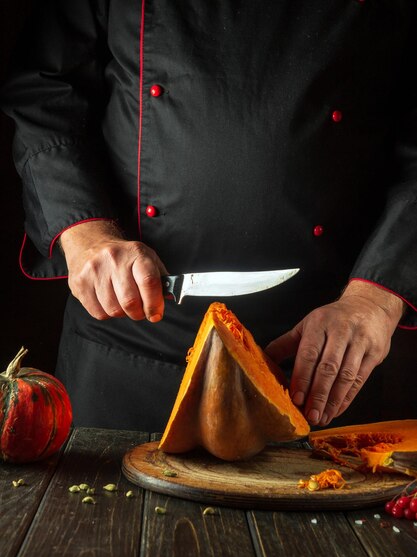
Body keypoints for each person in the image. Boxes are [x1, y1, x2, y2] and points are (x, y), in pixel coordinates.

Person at [1, 0, 416, 432]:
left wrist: (374, 301)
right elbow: (44, 88)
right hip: (127, 346)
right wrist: (85, 233)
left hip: (321, 357)